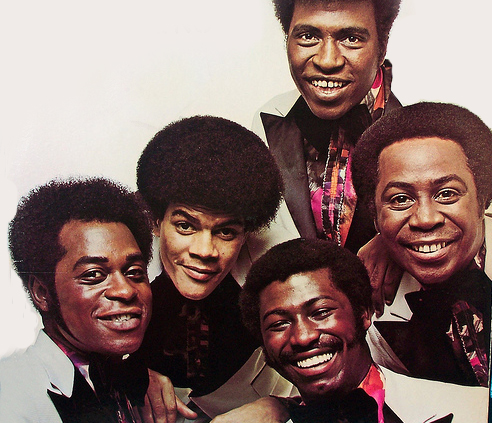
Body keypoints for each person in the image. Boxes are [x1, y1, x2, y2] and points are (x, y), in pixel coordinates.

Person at [136, 116, 295, 422]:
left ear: (247, 233)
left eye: (225, 232)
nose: (205, 251)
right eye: (185, 226)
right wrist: (127, 371)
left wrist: (282, 408)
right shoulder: (121, 258)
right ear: (156, 221)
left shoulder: (278, 269)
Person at [239, 238, 489, 423]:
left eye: (321, 312)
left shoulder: (475, 410)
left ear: (364, 313)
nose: (303, 337)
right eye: (278, 324)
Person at [351, 102, 492, 387]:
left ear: (483, 198)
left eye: (447, 194)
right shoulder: (371, 310)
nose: (425, 219)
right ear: (375, 216)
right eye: (400, 199)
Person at [249, 0, 401, 257]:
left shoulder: (424, 137)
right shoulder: (269, 119)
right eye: (308, 36)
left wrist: (399, 241)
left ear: (382, 47)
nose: (327, 60)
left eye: (351, 39)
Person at [1, 177, 154, 423]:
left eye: (134, 272)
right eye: (93, 275)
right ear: (42, 293)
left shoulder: (124, 380)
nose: (126, 291)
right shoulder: (11, 399)